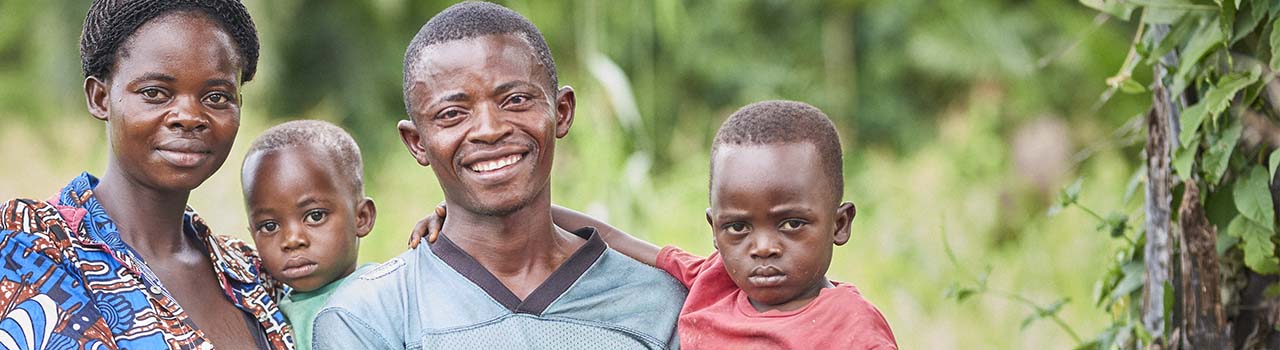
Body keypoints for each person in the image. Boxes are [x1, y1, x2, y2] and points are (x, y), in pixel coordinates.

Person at [312, 2, 685, 349]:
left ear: (563, 112)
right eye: (452, 114)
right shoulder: (369, 316)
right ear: (417, 142)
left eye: (516, 100)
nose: (489, 130)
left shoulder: (661, 302)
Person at [415, 101, 899, 349]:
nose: (763, 247)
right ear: (713, 228)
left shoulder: (851, 326)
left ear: (839, 223)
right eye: (737, 229)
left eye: (792, 224)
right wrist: (468, 218)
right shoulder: (711, 280)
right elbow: (613, 238)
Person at [0, 1, 293, 348]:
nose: (189, 115)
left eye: (216, 97)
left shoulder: (251, 271)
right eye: (155, 93)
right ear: (100, 98)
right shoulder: (32, 248)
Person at [241, 120, 378, 350]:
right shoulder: (270, 315)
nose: (292, 240)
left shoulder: (385, 291)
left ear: (361, 217)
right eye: (269, 226)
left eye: (315, 216)